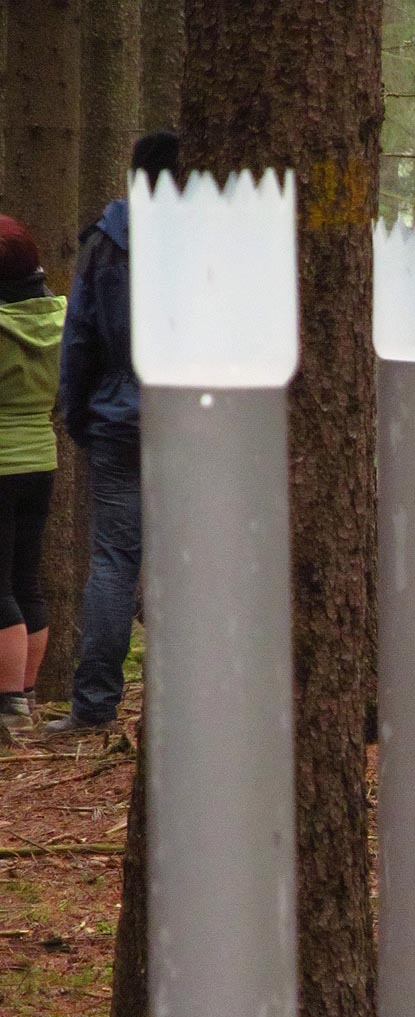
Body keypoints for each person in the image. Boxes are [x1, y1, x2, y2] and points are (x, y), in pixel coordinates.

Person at [45, 131, 179, 736]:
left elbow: (79, 339)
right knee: (193, 554)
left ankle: (95, 706)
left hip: (119, 421)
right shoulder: (202, 234)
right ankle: (188, 700)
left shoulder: (107, 242)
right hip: (191, 421)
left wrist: (79, 413)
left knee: (115, 562)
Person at [0, 217, 67, 732]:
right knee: (25, 579)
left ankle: (8, 707)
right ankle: (25, 696)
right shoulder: (61, 316)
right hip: (40, 460)